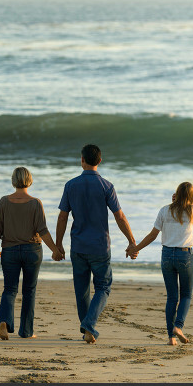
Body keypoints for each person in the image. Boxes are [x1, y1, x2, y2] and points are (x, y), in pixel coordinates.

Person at [55, 144, 138, 344]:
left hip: (78, 246)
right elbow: (119, 216)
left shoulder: (71, 185)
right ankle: (90, 324)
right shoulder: (107, 186)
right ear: (100, 161)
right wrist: (132, 241)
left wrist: (58, 245)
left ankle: (86, 329)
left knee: (81, 289)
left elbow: (62, 218)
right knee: (103, 286)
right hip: (100, 247)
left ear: (81, 160)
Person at [0, 167, 62, 340]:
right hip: (32, 251)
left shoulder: (3, 201)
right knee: (29, 291)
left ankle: (4, 322)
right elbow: (42, 230)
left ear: (13, 180)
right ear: (29, 180)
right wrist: (55, 250)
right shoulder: (35, 203)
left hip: (10, 251)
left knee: (9, 289)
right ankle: (26, 331)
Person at [132, 182, 193, 346]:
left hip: (167, 255)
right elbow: (186, 208)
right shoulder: (192, 211)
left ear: (176, 193)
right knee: (186, 295)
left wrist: (136, 248)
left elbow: (153, 235)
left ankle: (171, 337)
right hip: (184, 255)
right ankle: (178, 326)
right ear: (191, 197)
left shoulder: (164, 210)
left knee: (172, 297)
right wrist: (181, 201)